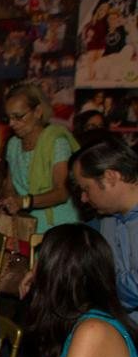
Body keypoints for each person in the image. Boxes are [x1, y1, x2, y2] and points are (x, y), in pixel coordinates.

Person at [27, 224, 138, 357]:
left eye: (40, 259)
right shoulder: (68, 324)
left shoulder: (92, 331)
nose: (33, 268)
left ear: (53, 274)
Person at [70, 136, 138, 322]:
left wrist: (91, 283)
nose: (83, 198)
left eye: (86, 188)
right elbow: (82, 241)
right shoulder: (108, 217)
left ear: (110, 177)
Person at [0, 83, 79, 234]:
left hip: (59, 227)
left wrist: (24, 202)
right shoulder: (14, 144)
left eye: (18, 117)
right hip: (26, 226)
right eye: (8, 118)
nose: (12, 123)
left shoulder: (56, 142)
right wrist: (5, 199)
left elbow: (62, 192)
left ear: (38, 112)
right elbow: (9, 185)